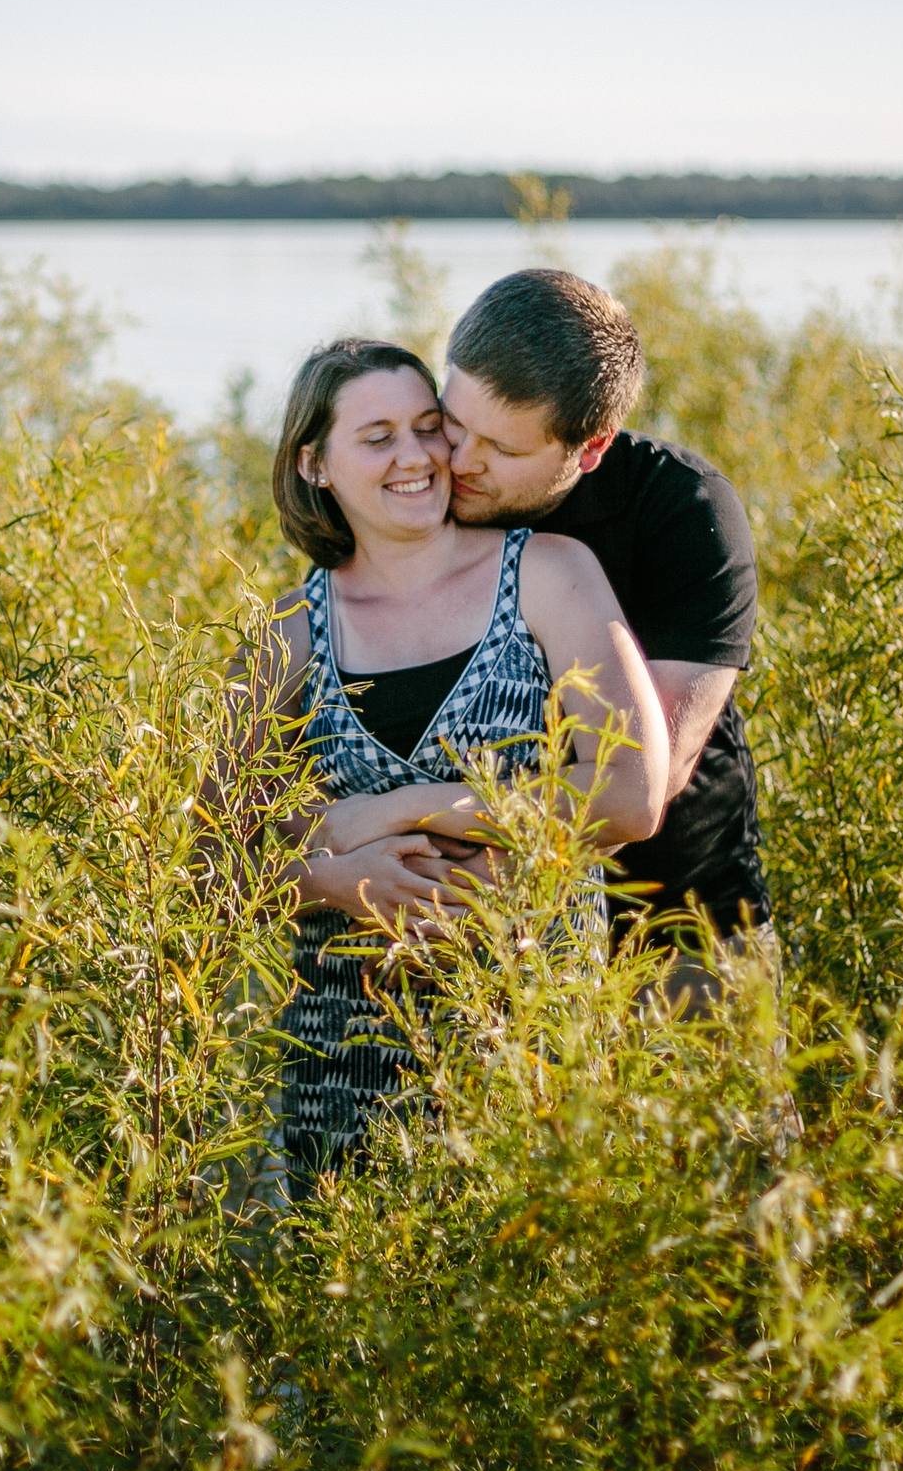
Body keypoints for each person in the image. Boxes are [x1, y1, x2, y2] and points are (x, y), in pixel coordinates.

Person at [236, 336, 668, 1190]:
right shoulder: (282, 637)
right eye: (378, 436)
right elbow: (211, 848)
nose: (416, 456)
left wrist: (410, 805)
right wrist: (336, 882)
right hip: (342, 1063)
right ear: (315, 464)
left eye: (429, 426)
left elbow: (631, 793)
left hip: (532, 1037)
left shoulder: (546, 576)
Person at [435, 268, 771, 1007]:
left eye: (500, 448)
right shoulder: (427, 490)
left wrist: (450, 897)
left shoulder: (682, 509)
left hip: (680, 930)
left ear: (589, 449)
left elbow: (656, 771)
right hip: (480, 943)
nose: (459, 460)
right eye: (453, 424)